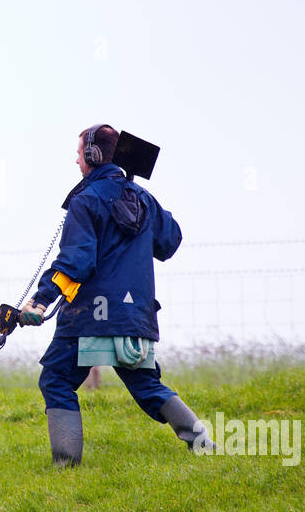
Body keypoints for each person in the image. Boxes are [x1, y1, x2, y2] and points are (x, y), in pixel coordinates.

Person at [19, 123, 214, 465]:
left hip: (88, 317)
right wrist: (144, 200)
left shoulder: (86, 201)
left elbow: (76, 260)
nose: (76, 159)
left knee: (56, 379)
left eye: (79, 153)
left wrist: (41, 299)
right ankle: (202, 443)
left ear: (93, 156)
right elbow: (170, 241)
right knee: (148, 387)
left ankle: (66, 465)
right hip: (134, 315)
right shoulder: (142, 199)